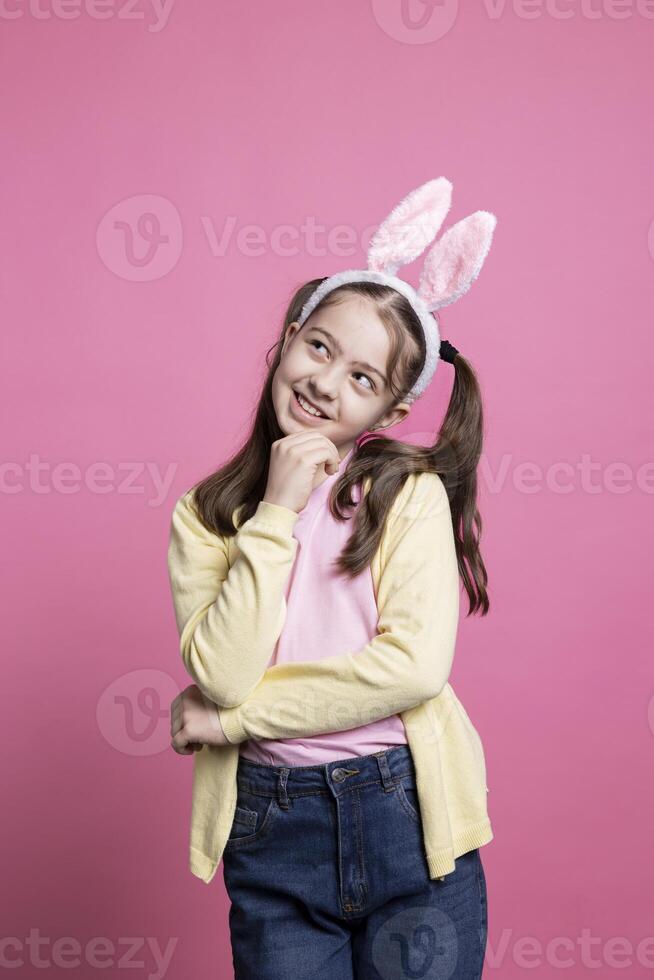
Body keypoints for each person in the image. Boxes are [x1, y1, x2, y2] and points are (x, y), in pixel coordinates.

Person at [167, 177, 498, 979]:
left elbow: (414, 670)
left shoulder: (405, 495)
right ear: (286, 339)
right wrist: (276, 511)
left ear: (386, 414)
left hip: (407, 816)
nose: (324, 381)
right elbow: (222, 670)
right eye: (320, 347)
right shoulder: (207, 514)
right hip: (272, 830)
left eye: (362, 378)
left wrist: (236, 720)